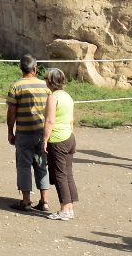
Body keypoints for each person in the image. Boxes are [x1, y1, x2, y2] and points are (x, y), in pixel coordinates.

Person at [6, 54, 53, 213]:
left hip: (23, 132)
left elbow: (11, 112)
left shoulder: (16, 86)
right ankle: (44, 201)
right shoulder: (45, 86)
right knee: (42, 165)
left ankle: (26, 201)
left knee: (23, 165)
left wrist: (10, 131)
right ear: (35, 68)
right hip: (41, 133)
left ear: (21, 68)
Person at [43, 67, 79, 221]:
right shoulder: (67, 96)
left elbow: (50, 120)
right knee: (67, 174)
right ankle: (69, 208)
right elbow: (71, 120)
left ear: (50, 81)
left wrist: (45, 139)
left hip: (58, 139)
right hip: (69, 137)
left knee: (60, 175)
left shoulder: (53, 97)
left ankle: (64, 208)